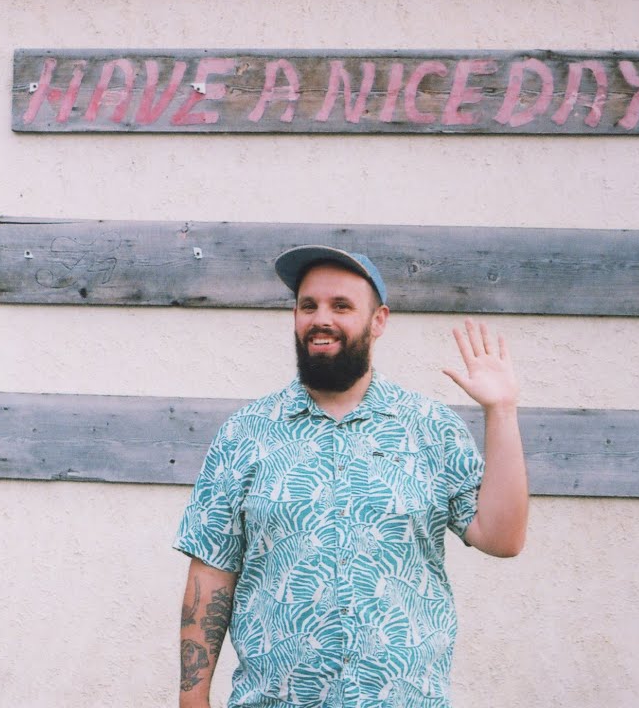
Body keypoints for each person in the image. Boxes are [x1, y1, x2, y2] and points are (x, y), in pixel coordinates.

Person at [174, 245, 529, 708]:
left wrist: (501, 412)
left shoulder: (430, 428)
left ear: (379, 320)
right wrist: (192, 700)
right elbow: (211, 574)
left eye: (341, 306)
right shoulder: (245, 433)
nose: (321, 319)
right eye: (309, 305)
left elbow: (502, 538)